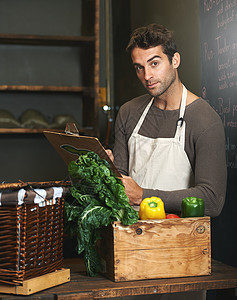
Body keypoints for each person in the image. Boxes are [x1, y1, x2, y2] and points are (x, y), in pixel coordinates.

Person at [107, 23, 227, 220]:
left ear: (175, 60)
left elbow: (212, 200)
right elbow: (122, 181)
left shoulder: (204, 120)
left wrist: (143, 196)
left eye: (154, 63)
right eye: (139, 67)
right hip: (130, 235)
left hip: (178, 240)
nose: (147, 76)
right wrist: (107, 168)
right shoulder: (129, 112)